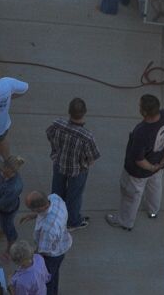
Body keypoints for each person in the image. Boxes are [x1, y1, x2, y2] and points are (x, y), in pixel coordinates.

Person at [106, 94, 164, 231]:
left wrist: (151, 167)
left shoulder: (141, 132)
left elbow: (139, 160)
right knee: (155, 188)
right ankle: (153, 211)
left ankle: (125, 221)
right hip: (159, 163)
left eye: (140, 106)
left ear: (144, 112)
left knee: (131, 195)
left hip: (138, 172)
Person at [45, 97, 100, 231]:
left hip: (59, 163)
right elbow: (93, 158)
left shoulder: (57, 124)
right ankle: (73, 222)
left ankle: (55, 216)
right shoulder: (87, 137)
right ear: (84, 112)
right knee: (74, 196)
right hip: (78, 170)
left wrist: (57, 150)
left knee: (56, 193)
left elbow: (49, 135)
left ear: (69, 111)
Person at [18, 192, 71, 295]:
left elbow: (43, 251)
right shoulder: (55, 198)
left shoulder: (49, 227)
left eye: (32, 209)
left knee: (47, 281)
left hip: (52, 255)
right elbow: (45, 208)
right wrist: (34, 215)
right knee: (54, 274)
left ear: (39, 208)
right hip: (62, 244)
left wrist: (28, 254)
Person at [0, 155, 25, 264]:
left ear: (13, 172)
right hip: (1, 209)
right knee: (1, 222)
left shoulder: (15, 187)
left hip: (8, 211)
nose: (1, 175)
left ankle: (8, 252)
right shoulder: (3, 169)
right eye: (1, 171)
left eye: (5, 174)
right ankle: (0, 234)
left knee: (9, 230)